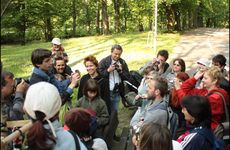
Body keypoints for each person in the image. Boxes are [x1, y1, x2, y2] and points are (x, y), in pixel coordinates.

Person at [23, 82, 87, 150]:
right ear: (58, 111)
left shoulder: (29, 139)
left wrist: (16, 146)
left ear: (26, 110)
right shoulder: (72, 139)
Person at [176, 66, 229, 130]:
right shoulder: (205, 91)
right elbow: (184, 88)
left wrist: (178, 89)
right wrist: (195, 77)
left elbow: (188, 107)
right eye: (203, 77)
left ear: (214, 81)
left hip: (208, 131)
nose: (202, 80)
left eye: (205, 78)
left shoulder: (215, 98)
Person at [98, 44, 131, 111]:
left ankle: (113, 120)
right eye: (115, 54)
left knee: (114, 111)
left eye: (119, 54)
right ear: (111, 52)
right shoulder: (104, 61)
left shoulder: (122, 62)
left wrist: (121, 71)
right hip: (107, 91)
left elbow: (127, 77)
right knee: (106, 110)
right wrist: (108, 70)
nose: (117, 56)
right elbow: (99, 75)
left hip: (117, 91)